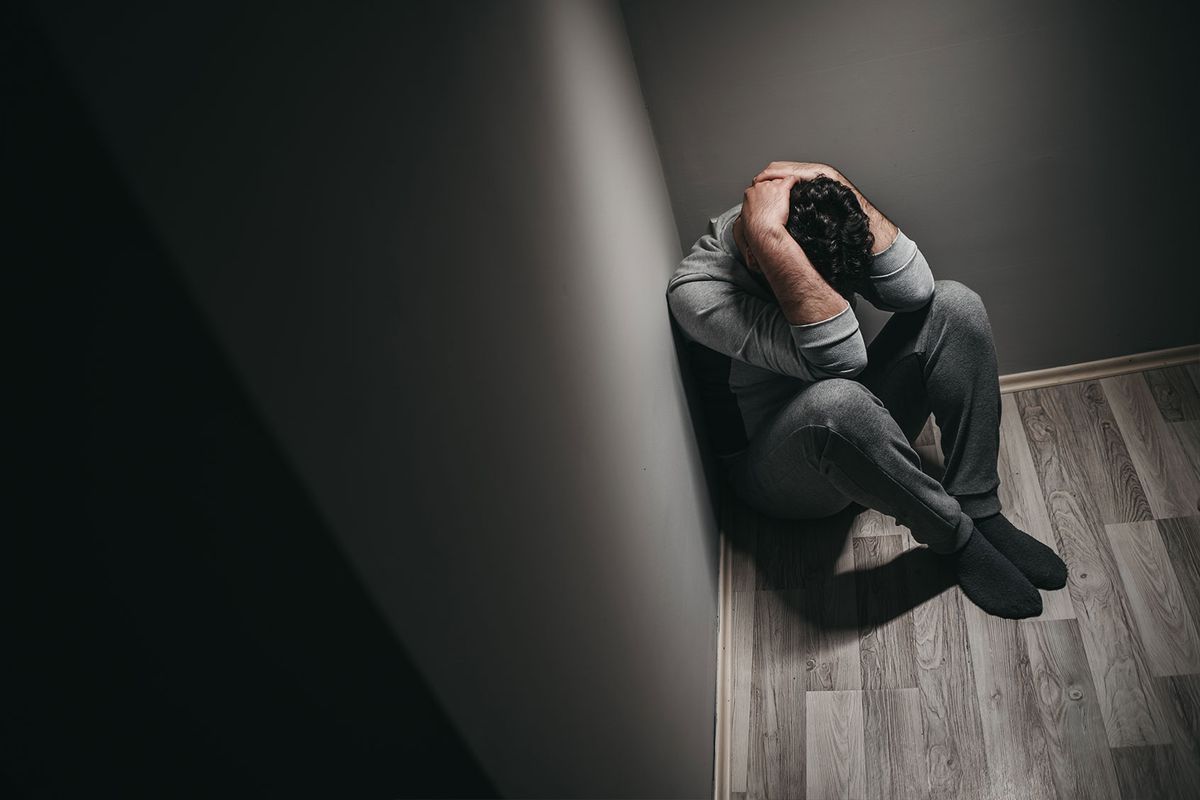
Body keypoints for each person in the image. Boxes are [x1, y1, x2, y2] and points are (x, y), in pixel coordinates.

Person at [664, 161, 1068, 619]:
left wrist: (835, 178)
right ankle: (956, 538)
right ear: (759, 254)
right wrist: (772, 239)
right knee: (838, 400)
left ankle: (978, 506)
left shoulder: (810, 218)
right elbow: (842, 364)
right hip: (775, 472)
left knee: (955, 303)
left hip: (856, 416)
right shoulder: (698, 292)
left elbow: (916, 291)